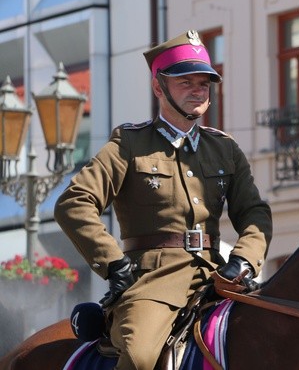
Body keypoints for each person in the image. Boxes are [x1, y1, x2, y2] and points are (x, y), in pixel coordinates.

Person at [54, 30, 273, 370]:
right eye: (186, 82)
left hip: (219, 275)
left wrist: (244, 259)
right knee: (141, 357)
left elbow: (254, 212)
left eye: (204, 83)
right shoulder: (129, 143)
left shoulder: (224, 149)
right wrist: (113, 263)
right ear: (159, 87)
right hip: (154, 281)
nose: (198, 90)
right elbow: (74, 202)